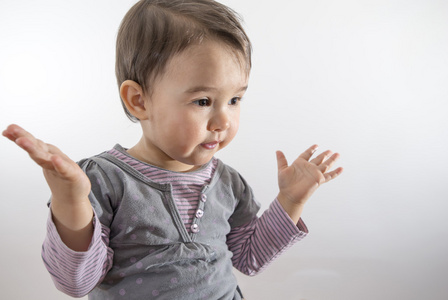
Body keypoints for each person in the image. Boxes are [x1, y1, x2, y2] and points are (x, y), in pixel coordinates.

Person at [2, 0, 343, 299]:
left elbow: (249, 257)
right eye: (203, 101)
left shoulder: (228, 183)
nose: (223, 120)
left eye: (235, 99)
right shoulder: (103, 180)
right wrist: (71, 200)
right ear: (139, 101)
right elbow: (76, 283)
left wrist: (290, 202)